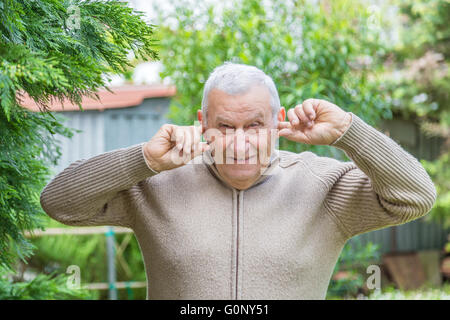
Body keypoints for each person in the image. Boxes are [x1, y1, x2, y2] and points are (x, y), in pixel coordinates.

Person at [40, 62, 436, 299]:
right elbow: (60, 202)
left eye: (255, 125)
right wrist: (142, 158)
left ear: (278, 122)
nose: (240, 142)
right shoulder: (157, 182)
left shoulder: (323, 185)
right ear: (202, 124)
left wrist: (349, 131)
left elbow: (415, 196)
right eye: (225, 126)